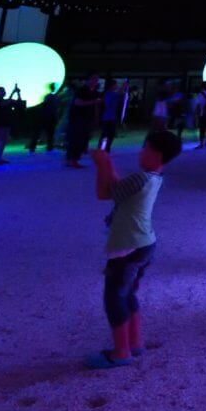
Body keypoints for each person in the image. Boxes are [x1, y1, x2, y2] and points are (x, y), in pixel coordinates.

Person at [84, 130, 182, 369]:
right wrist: (108, 167)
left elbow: (104, 192)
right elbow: (118, 188)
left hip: (127, 248)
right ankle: (134, 342)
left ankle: (121, 352)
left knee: (114, 298)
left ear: (156, 153)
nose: (141, 151)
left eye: (145, 147)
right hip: (144, 245)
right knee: (128, 294)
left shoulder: (140, 179)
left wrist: (102, 163)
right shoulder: (152, 178)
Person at [66, 76, 100, 168]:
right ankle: (73, 160)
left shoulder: (92, 91)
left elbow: (94, 106)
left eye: (96, 79)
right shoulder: (82, 90)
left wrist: (95, 118)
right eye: (93, 79)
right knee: (77, 139)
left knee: (81, 139)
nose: (96, 81)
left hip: (85, 119)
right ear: (88, 80)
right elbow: (77, 102)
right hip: (78, 118)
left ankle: (72, 159)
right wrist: (93, 102)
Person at [27, 83, 62, 154]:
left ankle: (34, 147)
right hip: (48, 116)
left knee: (46, 133)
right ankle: (45, 147)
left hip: (48, 116)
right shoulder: (53, 96)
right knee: (47, 133)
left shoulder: (52, 96)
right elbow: (50, 106)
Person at [98, 80, 126, 152]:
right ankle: (102, 149)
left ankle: (105, 149)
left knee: (110, 134)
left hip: (111, 117)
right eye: (115, 85)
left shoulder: (111, 94)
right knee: (106, 134)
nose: (116, 86)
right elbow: (109, 104)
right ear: (112, 86)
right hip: (108, 118)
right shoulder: (108, 94)